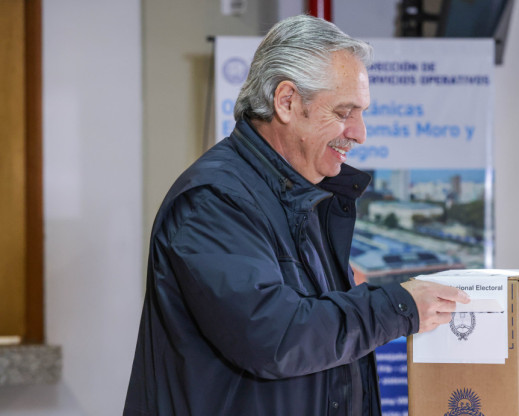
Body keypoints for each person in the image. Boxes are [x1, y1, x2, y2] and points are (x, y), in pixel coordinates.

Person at [124, 15, 469, 416]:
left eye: (362, 113)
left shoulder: (300, 194)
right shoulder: (214, 200)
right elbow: (274, 338)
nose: (360, 133)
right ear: (286, 102)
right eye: (345, 112)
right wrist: (400, 307)